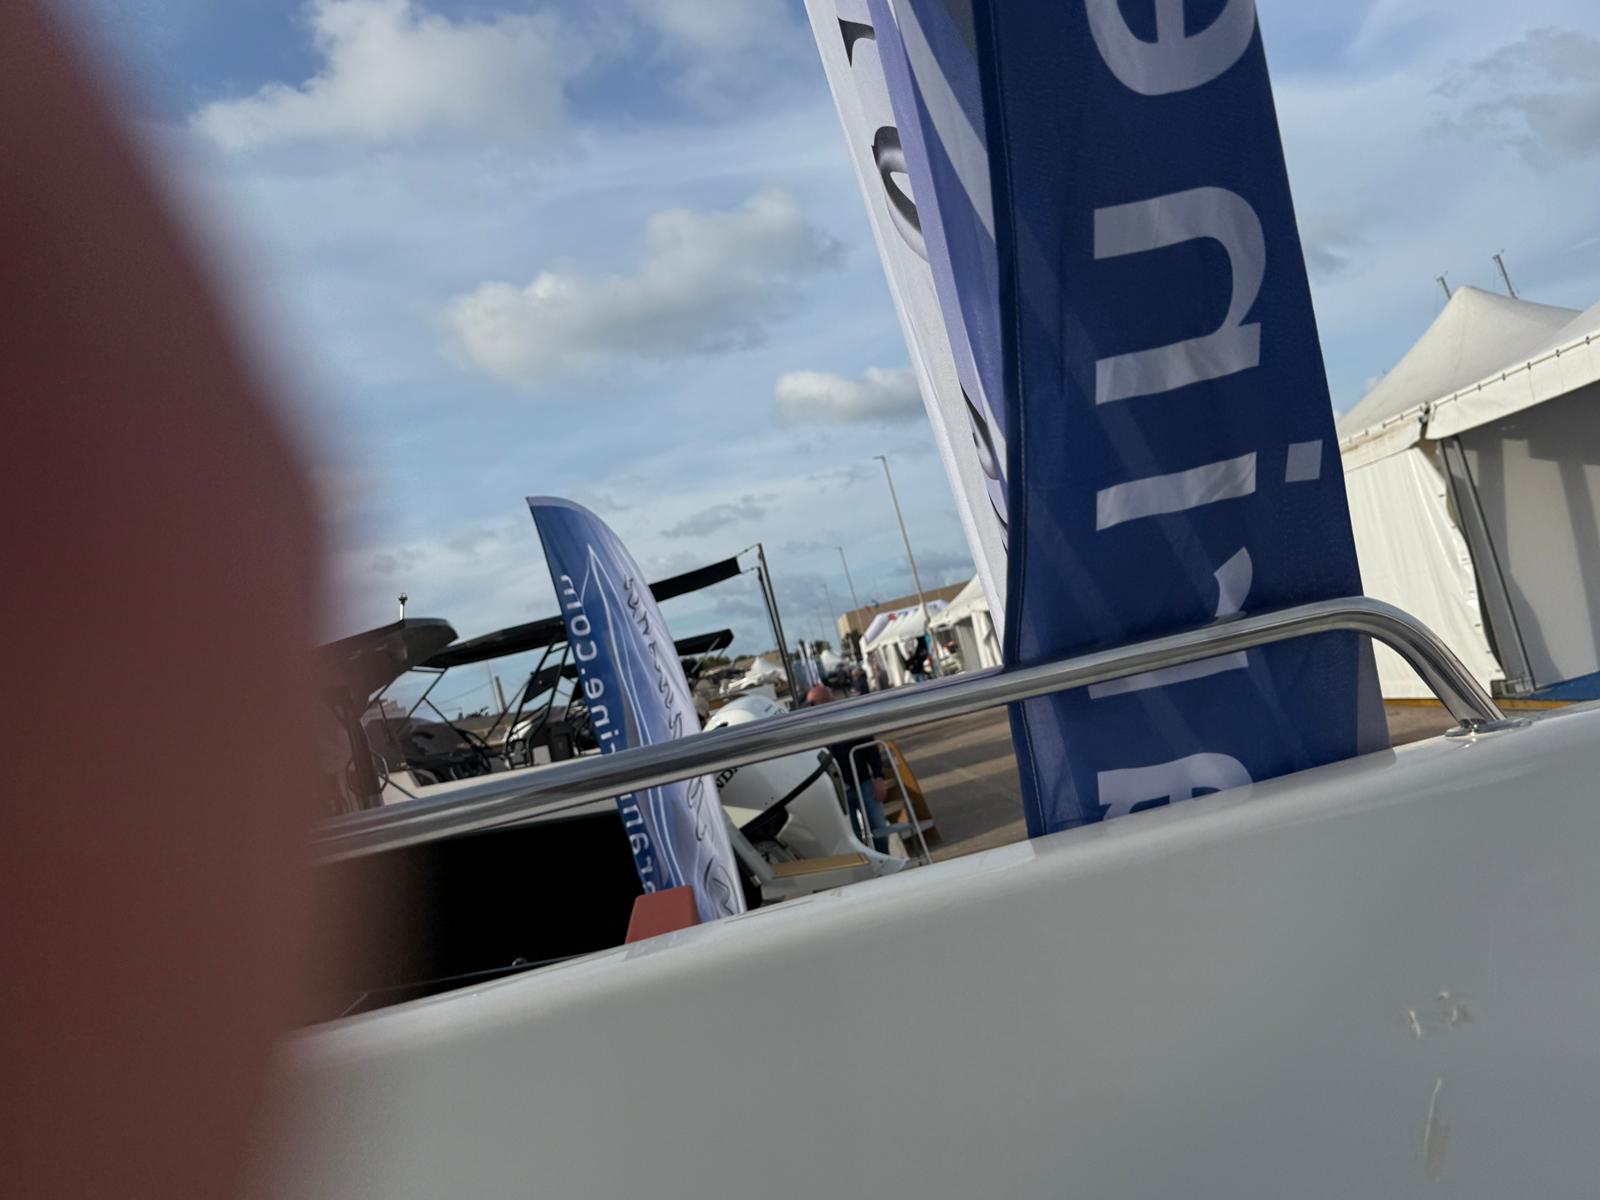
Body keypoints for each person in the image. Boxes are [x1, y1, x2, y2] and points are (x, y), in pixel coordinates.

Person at [804, 684, 891, 853]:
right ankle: (869, 865)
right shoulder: (812, 728)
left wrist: (879, 778)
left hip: (863, 782)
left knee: (878, 827)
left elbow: (870, 748)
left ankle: (885, 860)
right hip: (837, 792)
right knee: (854, 836)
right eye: (812, 704)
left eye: (815, 703)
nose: (811, 707)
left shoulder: (848, 717)